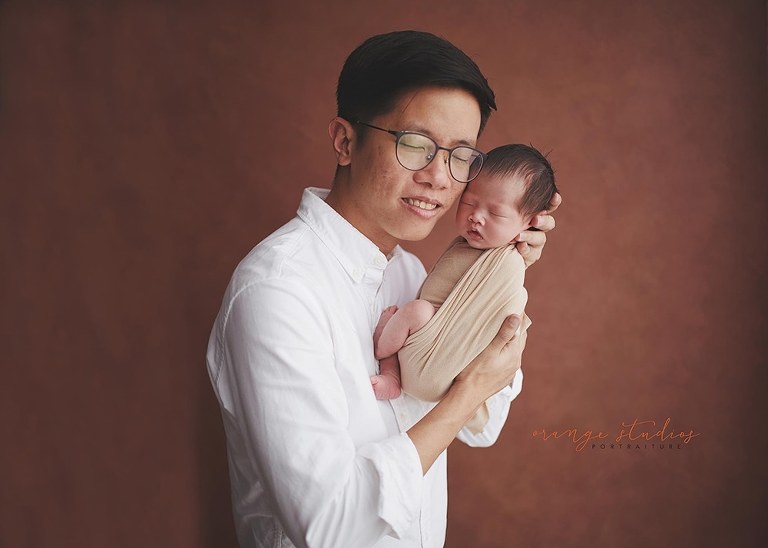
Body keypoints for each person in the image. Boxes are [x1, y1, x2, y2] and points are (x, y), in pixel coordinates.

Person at [206, 30, 561, 548]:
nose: (440, 178)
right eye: (416, 146)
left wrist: (495, 274)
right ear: (345, 140)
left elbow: (481, 427)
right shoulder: (276, 291)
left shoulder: (413, 275)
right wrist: (465, 394)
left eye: (461, 156)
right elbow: (332, 528)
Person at [370, 144, 558, 435]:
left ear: (531, 223)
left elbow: (490, 315)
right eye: (469, 204)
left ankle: (382, 345)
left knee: (417, 310)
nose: (476, 217)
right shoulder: (464, 249)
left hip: (443, 369)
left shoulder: (507, 264)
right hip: (425, 360)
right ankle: (391, 377)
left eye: (495, 213)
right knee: (417, 313)